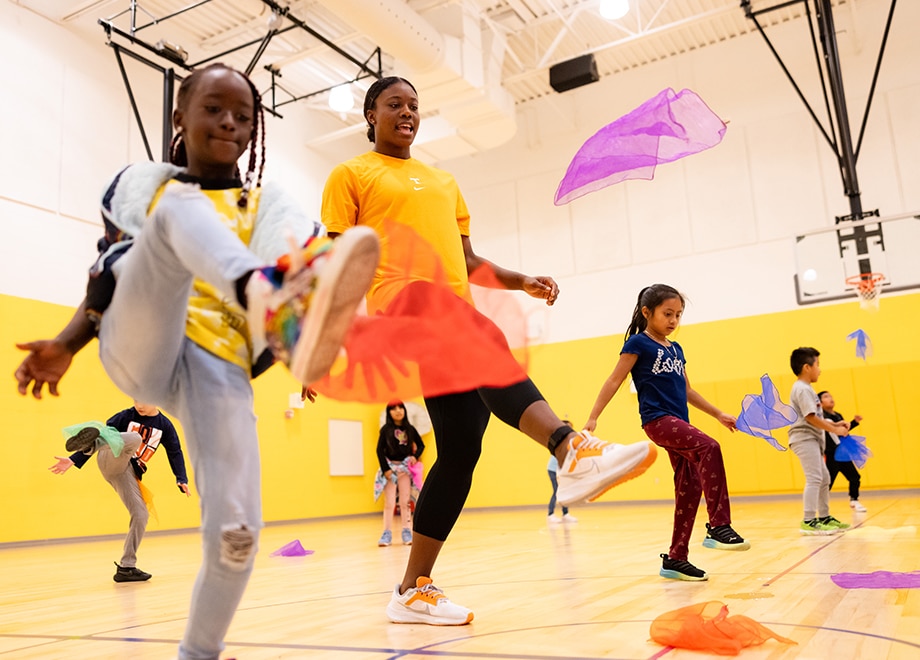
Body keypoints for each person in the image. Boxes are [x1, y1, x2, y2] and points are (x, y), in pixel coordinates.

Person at [15, 63, 378, 659]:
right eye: (214, 108)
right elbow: (106, 282)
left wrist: (309, 334)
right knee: (176, 212)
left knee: (238, 534)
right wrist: (66, 344)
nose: (230, 121)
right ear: (179, 116)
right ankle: (259, 293)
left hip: (220, 362)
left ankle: (198, 652)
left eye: (243, 113)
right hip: (144, 343)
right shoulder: (149, 187)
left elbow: (305, 256)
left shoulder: (266, 204)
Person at [321, 76, 657, 625]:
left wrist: (520, 279)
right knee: (484, 334)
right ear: (369, 114)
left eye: (413, 104)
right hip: (403, 303)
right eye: (393, 104)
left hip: (450, 318)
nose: (406, 111)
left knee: (459, 452)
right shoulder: (352, 174)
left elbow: (468, 261)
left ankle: (411, 589)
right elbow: (340, 261)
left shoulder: (443, 181)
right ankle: (568, 447)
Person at [584, 284, 750, 582]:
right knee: (709, 448)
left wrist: (718, 413)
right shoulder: (638, 343)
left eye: (678, 315)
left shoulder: (676, 349)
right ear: (648, 313)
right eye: (667, 314)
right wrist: (593, 417)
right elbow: (614, 380)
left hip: (678, 421)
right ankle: (719, 525)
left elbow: (687, 390)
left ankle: (676, 558)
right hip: (658, 420)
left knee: (689, 488)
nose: (673, 320)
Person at [50, 401, 190, 582]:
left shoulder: (165, 425)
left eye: (144, 401)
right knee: (133, 438)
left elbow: (175, 451)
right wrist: (74, 459)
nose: (139, 405)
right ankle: (88, 446)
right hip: (110, 458)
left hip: (126, 473)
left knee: (141, 515)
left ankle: (126, 568)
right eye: (136, 400)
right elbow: (105, 434)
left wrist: (181, 478)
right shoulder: (126, 416)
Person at [787, 348, 852, 536]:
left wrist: (834, 422)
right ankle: (808, 520)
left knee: (824, 477)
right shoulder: (801, 388)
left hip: (812, 438)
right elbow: (810, 418)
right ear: (807, 367)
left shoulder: (807, 389)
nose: (819, 370)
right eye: (817, 365)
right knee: (815, 477)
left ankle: (824, 517)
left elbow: (816, 416)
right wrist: (835, 430)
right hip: (803, 438)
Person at [375, 401, 425, 546]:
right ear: (389, 412)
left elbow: (421, 445)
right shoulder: (385, 430)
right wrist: (386, 470)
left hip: (405, 470)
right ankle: (386, 533)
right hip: (391, 470)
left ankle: (406, 531)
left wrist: (415, 457)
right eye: (393, 408)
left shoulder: (410, 429)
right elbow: (379, 450)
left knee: (405, 502)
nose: (398, 411)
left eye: (400, 407)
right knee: (389, 503)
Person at [819, 390, 866, 512]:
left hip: (843, 453)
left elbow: (844, 430)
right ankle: (820, 505)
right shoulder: (821, 417)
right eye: (826, 396)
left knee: (855, 477)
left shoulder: (838, 415)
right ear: (820, 402)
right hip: (831, 454)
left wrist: (854, 422)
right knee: (827, 482)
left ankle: (854, 501)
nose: (830, 398)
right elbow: (830, 428)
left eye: (831, 395)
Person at [546, 419, 577, 524]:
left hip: (561, 471)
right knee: (556, 491)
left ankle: (565, 514)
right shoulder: (559, 441)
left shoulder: (568, 441)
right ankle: (550, 514)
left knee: (564, 492)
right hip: (553, 470)